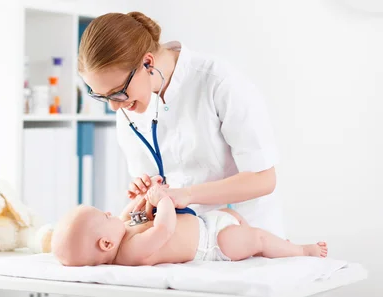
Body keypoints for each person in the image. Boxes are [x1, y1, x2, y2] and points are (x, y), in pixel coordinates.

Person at [78, 11, 285, 238]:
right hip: (185, 243)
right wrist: (147, 191)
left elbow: (263, 179)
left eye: (117, 93)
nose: (115, 107)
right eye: (102, 97)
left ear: (148, 62)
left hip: (246, 238)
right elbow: (154, 189)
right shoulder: (129, 109)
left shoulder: (219, 82)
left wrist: (187, 194)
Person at [51, 178, 327, 267]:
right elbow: (164, 228)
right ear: (106, 244)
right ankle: (302, 250)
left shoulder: (121, 232)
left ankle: (281, 247)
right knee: (256, 239)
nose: (112, 213)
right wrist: (165, 201)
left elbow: (133, 215)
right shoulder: (130, 251)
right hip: (213, 245)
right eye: (105, 216)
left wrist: (143, 194)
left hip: (209, 222)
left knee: (242, 222)